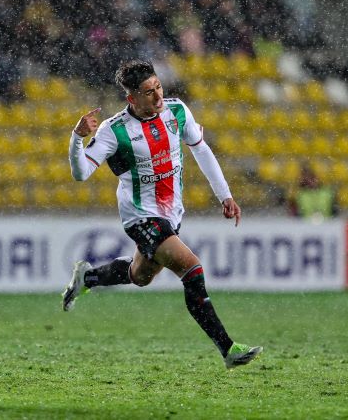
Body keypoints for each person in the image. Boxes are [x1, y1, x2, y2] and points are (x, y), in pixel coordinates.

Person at [63, 60, 262, 369]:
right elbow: (81, 173)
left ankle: (87, 277)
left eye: (158, 87)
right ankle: (228, 349)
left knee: (139, 276)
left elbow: (201, 148)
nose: (157, 97)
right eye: (147, 92)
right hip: (140, 215)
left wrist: (225, 195)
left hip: (171, 213)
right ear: (132, 98)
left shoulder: (177, 111)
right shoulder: (114, 130)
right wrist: (77, 139)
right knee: (192, 270)